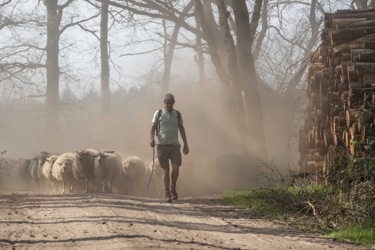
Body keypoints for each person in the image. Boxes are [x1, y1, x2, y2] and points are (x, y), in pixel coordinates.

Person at [150, 93, 189, 202]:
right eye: (167, 103)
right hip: (162, 145)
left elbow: (181, 128)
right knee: (165, 169)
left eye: (171, 103)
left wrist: (185, 143)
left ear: (174, 103)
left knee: (176, 167)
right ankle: (167, 192)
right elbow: (152, 127)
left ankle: (173, 186)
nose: (169, 105)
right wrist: (151, 139)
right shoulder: (158, 113)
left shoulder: (177, 114)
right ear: (164, 103)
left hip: (175, 145)